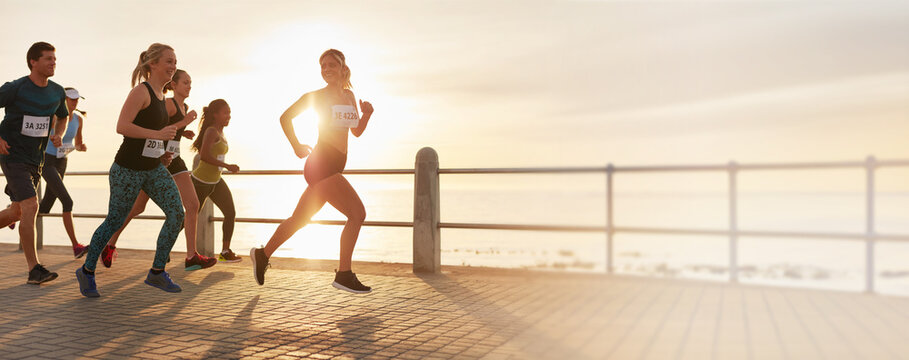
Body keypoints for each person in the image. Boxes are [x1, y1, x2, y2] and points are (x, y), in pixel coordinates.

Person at [251, 49, 374, 293]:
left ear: (343, 68)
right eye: (323, 65)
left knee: (300, 219)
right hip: (322, 164)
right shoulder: (316, 97)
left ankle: (263, 255)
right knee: (357, 214)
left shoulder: (349, 96)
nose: (327, 69)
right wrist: (296, 145)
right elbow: (286, 117)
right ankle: (344, 274)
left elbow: (356, 131)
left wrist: (367, 115)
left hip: (334, 165)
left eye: (332, 65)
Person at [75, 43, 193, 297]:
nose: (173, 66)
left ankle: (157, 272)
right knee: (114, 221)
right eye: (169, 61)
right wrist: (158, 135)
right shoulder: (141, 91)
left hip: (153, 168)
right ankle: (86, 270)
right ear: (153, 64)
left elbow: (150, 136)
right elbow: (122, 126)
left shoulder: (161, 96)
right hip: (127, 170)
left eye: (175, 62)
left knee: (176, 214)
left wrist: (161, 152)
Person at [100, 69, 214, 271]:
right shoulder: (168, 104)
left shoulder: (184, 107)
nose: (189, 86)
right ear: (174, 85)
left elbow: (170, 129)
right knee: (137, 208)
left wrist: (183, 131)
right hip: (157, 160)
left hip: (175, 159)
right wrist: (184, 122)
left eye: (190, 82)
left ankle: (191, 256)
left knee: (193, 204)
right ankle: (109, 243)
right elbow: (155, 128)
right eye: (185, 82)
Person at [0, 42, 69, 284]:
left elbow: (63, 116)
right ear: (33, 62)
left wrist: (59, 133)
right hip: (12, 155)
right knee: (31, 205)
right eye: (48, 58)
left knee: (17, 212)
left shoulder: (57, 91)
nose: (53, 62)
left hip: (35, 159)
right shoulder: (16, 88)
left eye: (54, 59)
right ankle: (34, 270)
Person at [38, 87, 89, 259]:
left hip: (62, 161)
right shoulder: (54, 116)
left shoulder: (79, 119)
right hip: (47, 161)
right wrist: (53, 137)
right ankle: (76, 246)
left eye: (77, 99)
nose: (75, 102)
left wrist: (81, 147)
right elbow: (40, 135)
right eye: (71, 99)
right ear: (63, 100)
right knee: (67, 201)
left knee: (45, 207)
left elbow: (78, 142)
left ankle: (14, 211)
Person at [190, 99, 242, 263]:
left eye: (229, 113)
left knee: (230, 213)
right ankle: (165, 249)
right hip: (201, 181)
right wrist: (227, 166)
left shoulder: (221, 132)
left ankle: (225, 252)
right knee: (190, 217)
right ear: (215, 115)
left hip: (215, 181)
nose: (229, 116)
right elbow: (204, 156)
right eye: (225, 113)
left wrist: (224, 167)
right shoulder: (211, 131)